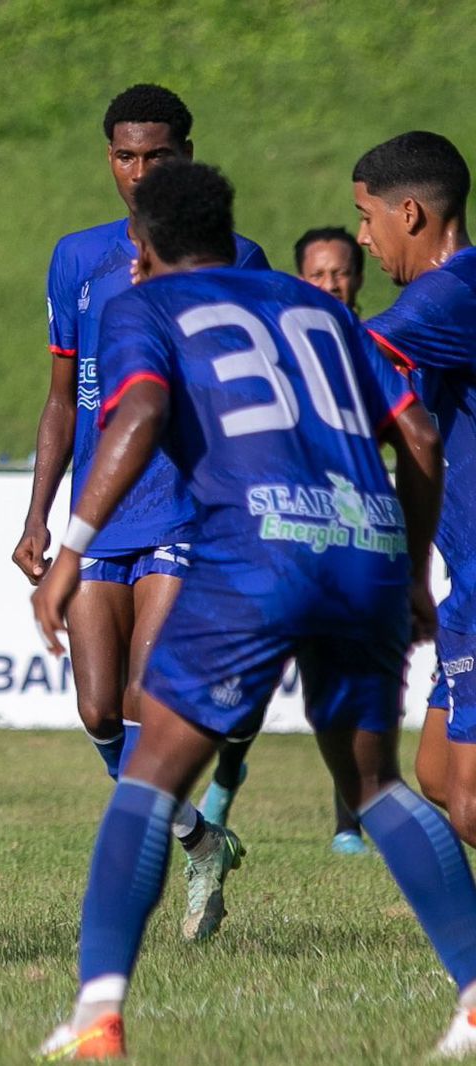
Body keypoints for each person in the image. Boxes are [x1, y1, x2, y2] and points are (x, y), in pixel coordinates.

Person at [30, 161, 476, 1061]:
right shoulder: (311, 303)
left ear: (145, 250)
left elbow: (142, 410)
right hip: (363, 546)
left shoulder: (141, 306)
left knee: (152, 774)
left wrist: (71, 546)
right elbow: (419, 434)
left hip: (257, 547)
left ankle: (98, 1019)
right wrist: (411, 568)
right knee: (374, 783)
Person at [13, 84, 269, 940]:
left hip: (189, 513)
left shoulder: (241, 259)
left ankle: (164, 873)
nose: (140, 171)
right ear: (109, 159)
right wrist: (37, 514)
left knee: (145, 698)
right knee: (95, 711)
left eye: (157, 156)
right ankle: (202, 841)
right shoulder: (75, 259)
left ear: (187, 156)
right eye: (126, 155)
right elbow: (61, 400)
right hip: (100, 515)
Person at [351, 133, 476, 865]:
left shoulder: (448, 294)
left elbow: (345, 359)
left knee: (467, 801)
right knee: (435, 773)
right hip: (465, 583)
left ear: (411, 212)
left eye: (367, 217)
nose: (364, 237)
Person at [293, 224, 372, 855]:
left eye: (340, 273)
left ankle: (349, 820)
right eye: (317, 275)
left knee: (341, 681)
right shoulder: (279, 356)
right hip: (285, 534)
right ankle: (220, 797)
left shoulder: (380, 347)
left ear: (358, 278)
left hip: (358, 538)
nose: (329, 284)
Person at [295, 226, 366, 313]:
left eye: (341, 274)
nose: (330, 286)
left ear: (359, 280)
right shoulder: (284, 326)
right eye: (317, 275)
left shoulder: (374, 326)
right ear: (300, 282)